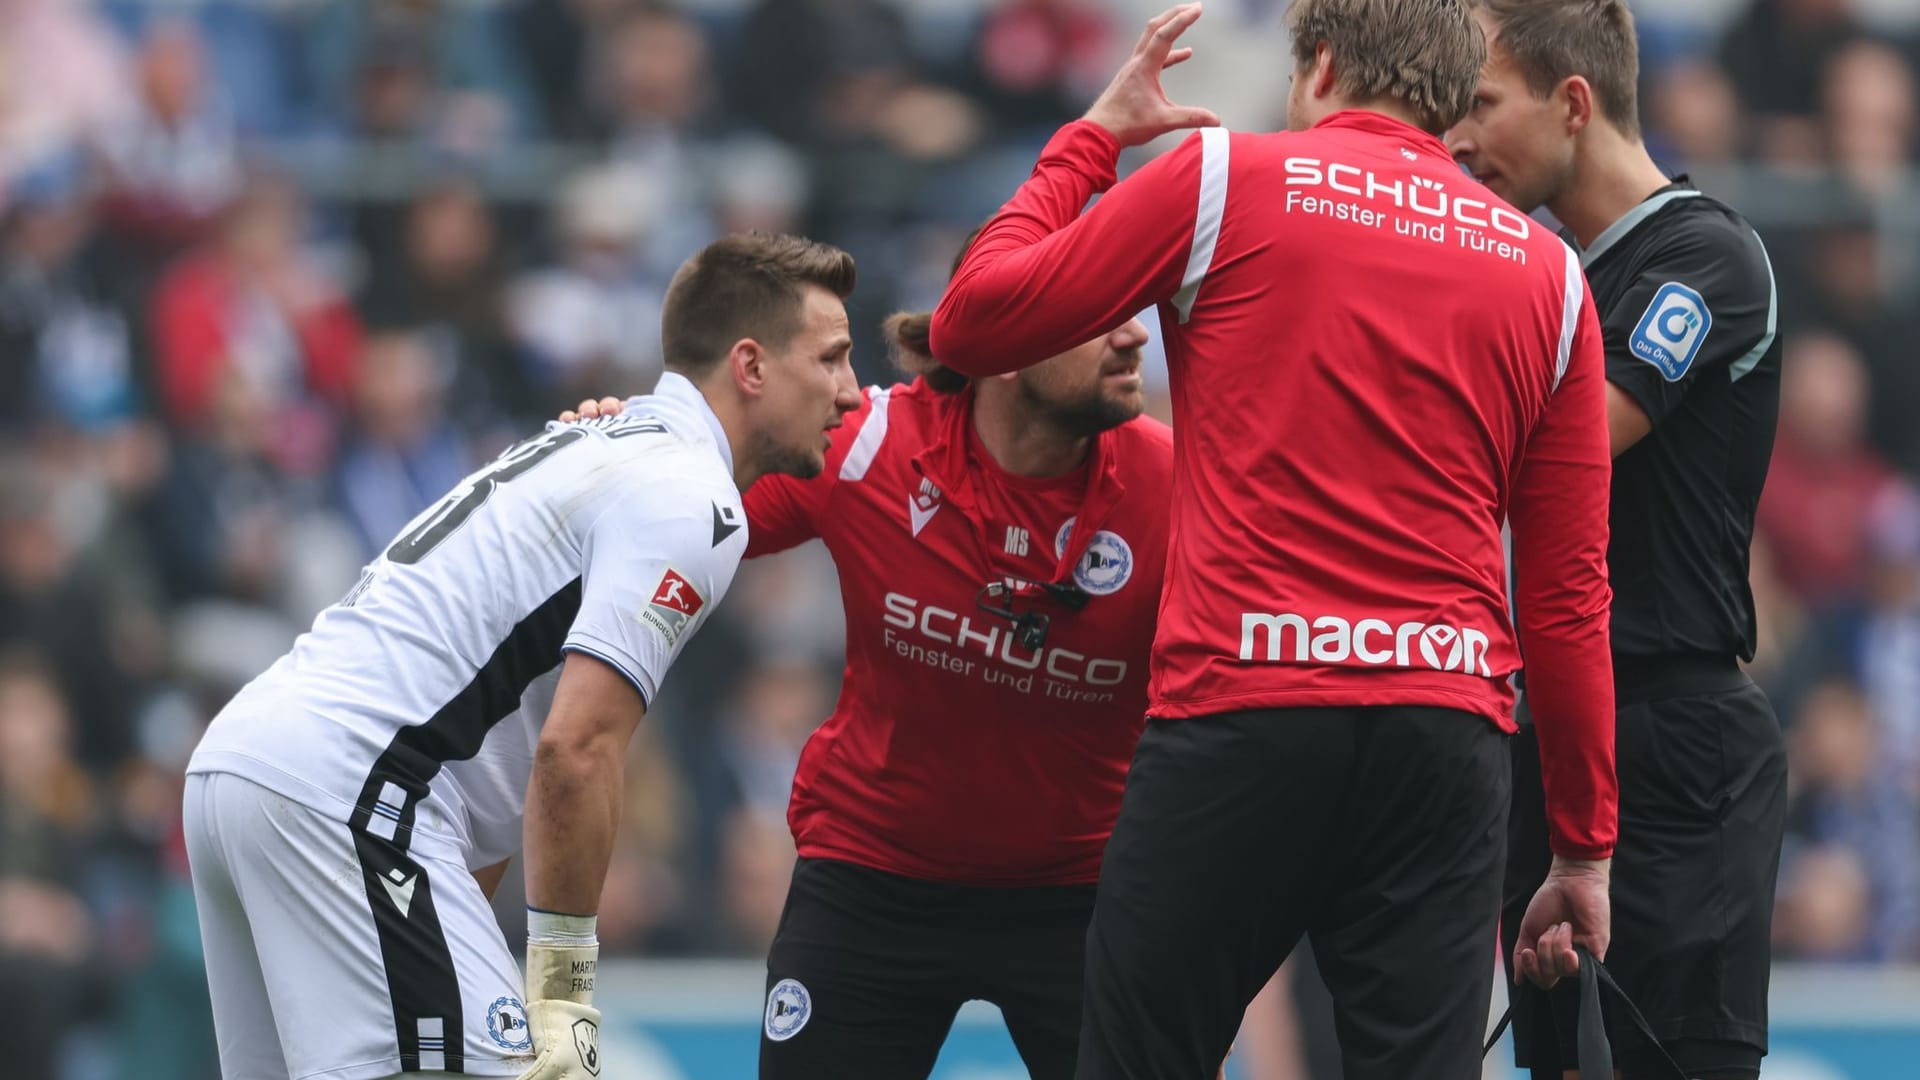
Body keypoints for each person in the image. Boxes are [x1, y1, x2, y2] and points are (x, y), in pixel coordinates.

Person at [929, 3, 1619, 1077]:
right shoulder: (1551, 275)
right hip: (1443, 735)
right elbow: (1569, 597)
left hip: (1243, 712)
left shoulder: (1218, 180)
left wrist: (1097, 135)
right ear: (1450, 95)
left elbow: (972, 322)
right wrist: (1581, 846)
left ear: (1325, 67)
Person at [181, 232, 862, 1080]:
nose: (850, 391)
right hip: (350, 791)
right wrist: (564, 993)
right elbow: (575, 750)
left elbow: (488, 756)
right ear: (751, 365)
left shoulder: (595, 445)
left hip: (250, 769)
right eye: (832, 359)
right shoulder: (691, 495)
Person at [564, 229, 1189, 1079]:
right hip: (873, 879)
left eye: (1133, 309)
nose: (1135, 335)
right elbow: (676, 507)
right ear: (1003, 341)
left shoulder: (1184, 486)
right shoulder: (866, 444)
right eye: (1097, 313)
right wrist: (615, 456)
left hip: (1084, 894)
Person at [1445, 3, 1788, 1077]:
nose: (1460, 137)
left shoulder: (1707, 256)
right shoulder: (1553, 277)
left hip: (1676, 742)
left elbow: (1568, 447)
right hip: (1548, 738)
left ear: (1574, 103)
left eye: (1484, 103)